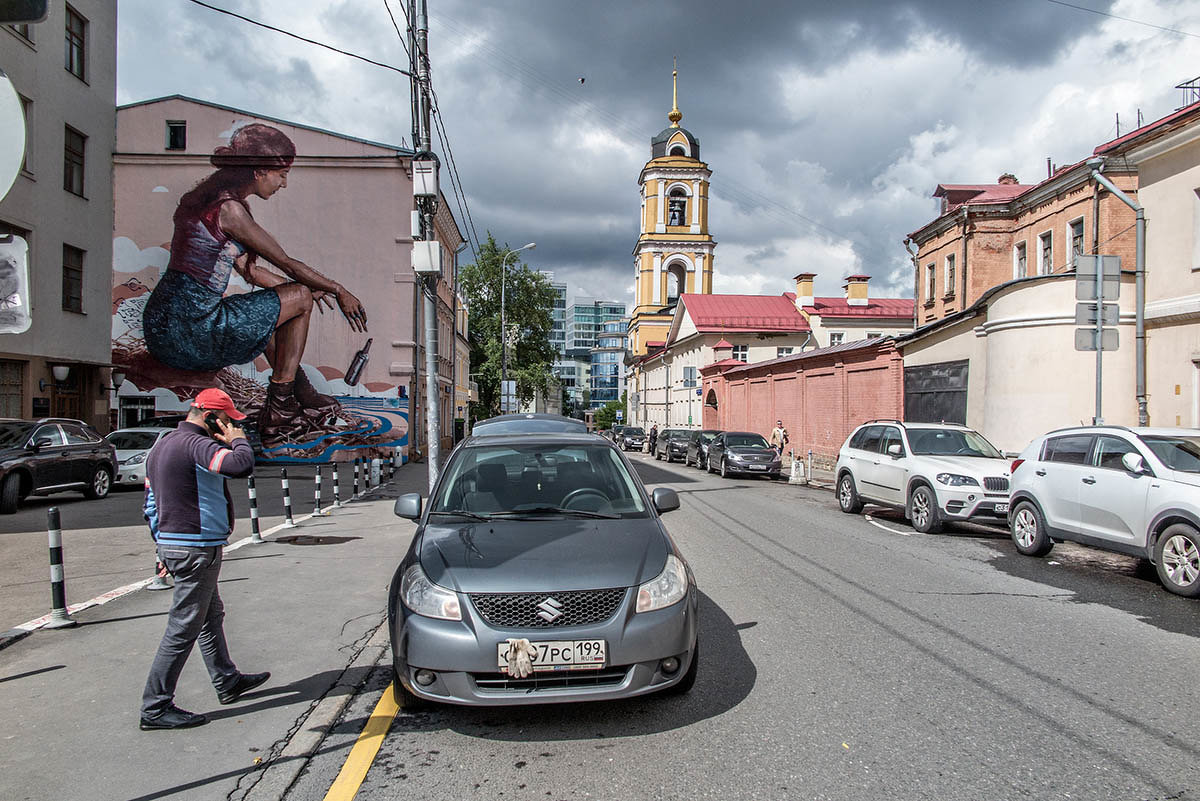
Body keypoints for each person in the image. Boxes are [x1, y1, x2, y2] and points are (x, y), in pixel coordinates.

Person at [142, 124, 368, 447]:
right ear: (260, 171)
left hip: (161, 323)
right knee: (295, 299)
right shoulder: (230, 211)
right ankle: (280, 410)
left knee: (269, 311)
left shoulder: (204, 201)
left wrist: (293, 295)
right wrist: (337, 290)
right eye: (282, 174)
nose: (284, 183)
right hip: (193, 327)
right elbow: (286, 262)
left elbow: (251, 274)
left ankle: (299, 390)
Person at [139, 388, 267, 730]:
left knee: (210, 615)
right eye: (226, 420)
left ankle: (226, 679)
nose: (229, 426)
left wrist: (162, 543)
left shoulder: (161, 446)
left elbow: (149, 504)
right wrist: (238, 440)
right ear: (210, 416)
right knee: (183, 627)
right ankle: (155, 706)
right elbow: (240, 466)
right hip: (196, 548)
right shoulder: (196, 445)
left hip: (177, 545)